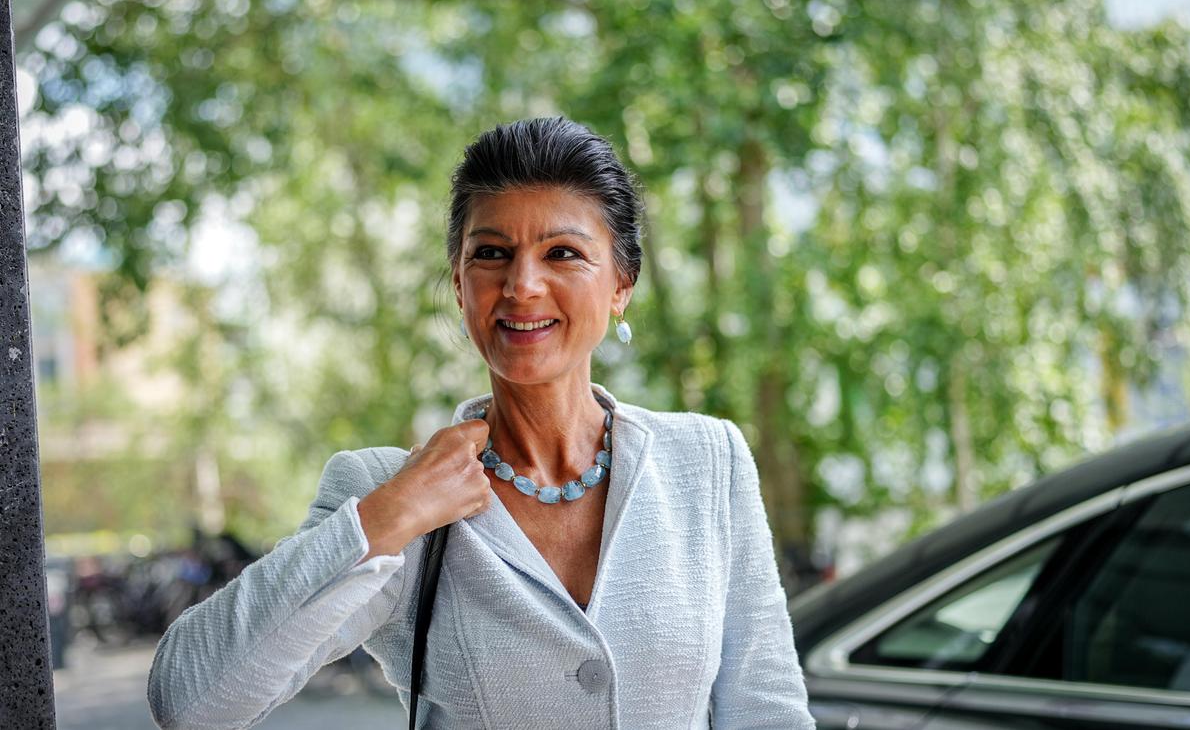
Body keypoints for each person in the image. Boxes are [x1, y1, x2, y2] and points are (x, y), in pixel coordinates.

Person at [147, 116, 815, 729]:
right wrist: (388, 515)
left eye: (563, 253)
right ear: (460, 284)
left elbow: (767, 709)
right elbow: (189, 697)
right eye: (491, 253)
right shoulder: (386, 488)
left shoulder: (707, 460)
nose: (522, 284)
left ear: (620, 285)